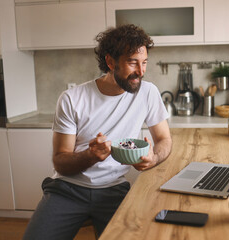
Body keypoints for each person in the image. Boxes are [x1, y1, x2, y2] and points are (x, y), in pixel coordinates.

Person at [23, 24, 172, 240]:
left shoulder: (148, 93)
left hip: (114, 189)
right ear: (110, 62)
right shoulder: (72, 98)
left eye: (144, 62)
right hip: (67, 189)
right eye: (132, 62)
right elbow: (60, 161)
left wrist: (154, 158)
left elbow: (164, 138)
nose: (141, 71)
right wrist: (89, 156)